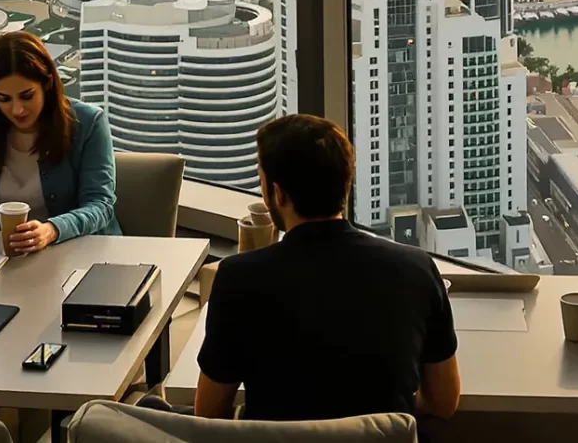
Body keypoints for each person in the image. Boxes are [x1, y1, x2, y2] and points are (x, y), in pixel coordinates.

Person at [196, 114, 460, 421]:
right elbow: (443, 403)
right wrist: (379, 416)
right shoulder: (417, 269)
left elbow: (208, 414)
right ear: (344, 184)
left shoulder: (238, 279)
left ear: (278, 193)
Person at [0, 30, 117, 252]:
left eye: (27, 96)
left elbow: (101, 206)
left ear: (48, 83)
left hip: (72, 254)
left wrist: (52, 230)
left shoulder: (89, 123)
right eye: (4, 99)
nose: (17, 110)